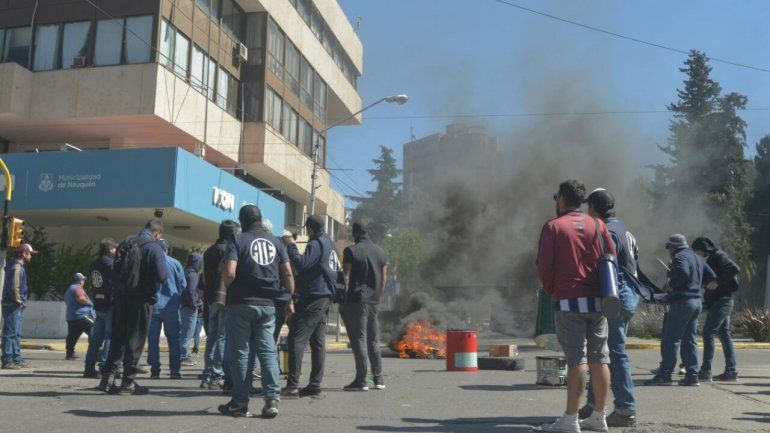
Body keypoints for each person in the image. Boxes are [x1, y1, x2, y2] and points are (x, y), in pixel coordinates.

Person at [537, 180, 613, 433]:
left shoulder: (553, 227)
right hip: (599, 302)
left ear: (561, 198)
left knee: (576, 360)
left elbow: (544, 265)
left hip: (569, 301)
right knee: (600, 358)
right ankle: (599, 417)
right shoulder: (598, 224)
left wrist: (552, 290)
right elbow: (610, 257)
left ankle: (571, 419)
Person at [218, 205, 295, 419]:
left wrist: (224, 278)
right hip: (269, 305)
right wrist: (290, 299)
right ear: (260, 220)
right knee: (267, 351)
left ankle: (240, 402)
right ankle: (271, 400)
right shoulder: (276, 242)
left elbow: (231, 273)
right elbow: (288, 273)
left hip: (241, 303)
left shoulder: (238, 240)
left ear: (242, 221)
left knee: (241, 353)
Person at [581, 189, 640, 427]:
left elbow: (609, 270)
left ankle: (626, 410)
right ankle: (593, 405)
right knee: (601, 352)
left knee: (614, 353)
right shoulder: (624, 229)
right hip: (628, 296)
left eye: (588, 208)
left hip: (615, 298)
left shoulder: (607, 231)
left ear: (594, 208)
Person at [99, 219, 168, 395]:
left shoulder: (126, 243)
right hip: (142, 299)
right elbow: (161, 276)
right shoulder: (154, 248)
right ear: (158, 234)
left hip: (121, 297)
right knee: (135, 339)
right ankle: (128, 382)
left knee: (118, 337)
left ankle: (107, 378)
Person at [645, 234, 716, 387]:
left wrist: (671, 284)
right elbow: (711, 277)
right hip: (696, 301)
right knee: (690, 340)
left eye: (668, 247)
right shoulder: (696, 257)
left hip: (682, 302)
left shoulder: (679, 257)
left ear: (672, 247)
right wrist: (695, 285)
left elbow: (682, 273)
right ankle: (692, 376)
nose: (668, 251)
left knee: (671, 339)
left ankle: (665, 375)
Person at [282, 215, 337, 398]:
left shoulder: (316, 243)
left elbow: (300, 265)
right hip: (324, 297)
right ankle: (314, 385)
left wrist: (291, 245)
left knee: (296, 339)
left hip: (313, 297)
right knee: (317, 342)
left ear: (310, 229)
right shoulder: (330, 244)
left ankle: (292, 385)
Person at [341, 220, 388, 392]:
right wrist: (377, 297)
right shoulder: (380, 252)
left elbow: (346, 277)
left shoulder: (350, 251)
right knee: (373, 340)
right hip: (374, 301)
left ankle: (361, 380)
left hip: (356, 301)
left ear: (354, 234)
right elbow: (383, 279)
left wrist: (343, 299)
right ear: (368, 232)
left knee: (359, 340)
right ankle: (378, 378)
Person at [692, 236, 740, 382]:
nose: (697, 254)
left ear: (704, 249)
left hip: (722, 301)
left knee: (708, 333)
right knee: (724, 335)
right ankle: (731, 371)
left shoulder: (719, 256)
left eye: (698, 251)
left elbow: (734, 268)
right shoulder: (711, 258)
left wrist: (716, 283)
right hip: (719, 300)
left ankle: (705, 371)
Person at [200, 219, 239, 389]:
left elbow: (205, 277)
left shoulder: (209, 251)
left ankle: (207, 374)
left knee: (212, 337)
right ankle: (217, 374)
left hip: (210, 298)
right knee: (222, 337)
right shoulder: (230, 250)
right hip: (224, 298)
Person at [147, 239, 186, 379]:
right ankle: (174, 371)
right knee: (174, 340)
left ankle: (155, 370)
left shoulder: (150, 263)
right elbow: (183, 285)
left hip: (154, 306)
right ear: (167, 249)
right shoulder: (175, 263)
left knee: (153, 340)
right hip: (172, 306)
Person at [84, 238, 117, 377]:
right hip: (109, 302)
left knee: (96, 338)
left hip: (98, 302)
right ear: (110, 249)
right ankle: (104, 367)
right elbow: (115, 282)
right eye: (114, 249)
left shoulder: (94, 263)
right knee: (109, 336)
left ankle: (89, 367)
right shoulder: (110, 263)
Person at [2, 244, 36, 369]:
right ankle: (7, 360)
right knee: (10, 333)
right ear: (24, 254)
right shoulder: (17, 267)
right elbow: (14, 287)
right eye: (30, 253)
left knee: (16, 333)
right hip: (13, 304)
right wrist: (19, 301)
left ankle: (16, 358)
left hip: (15, 304)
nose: (31, 256)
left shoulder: (18, 266)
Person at [64, 273, 95, 360]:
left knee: (72, 335)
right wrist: (90, 303)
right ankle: (93, 353)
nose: (84, 282)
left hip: (71, 317)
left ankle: (69, 354)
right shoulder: (78, 287)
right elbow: (80, 297)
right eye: (83, 280)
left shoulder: (69, 289)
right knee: (94, 329)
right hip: (83, 316)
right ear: (80, 280)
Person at [181, 253, 203, 366]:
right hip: (190, 307)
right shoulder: (193, 275)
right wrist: (195, 305)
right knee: (188, 334)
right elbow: (191, 291)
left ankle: (181, 355)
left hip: (182, 305)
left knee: (183, 332)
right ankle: (184, 356)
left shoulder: (184, 272)